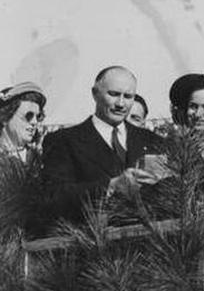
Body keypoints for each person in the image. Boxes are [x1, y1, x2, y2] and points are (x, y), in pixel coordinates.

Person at [41, 66, 164, 222]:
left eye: (128, 96)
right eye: (113, 94)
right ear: (95, 93)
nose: (121, 103)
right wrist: (111, 186)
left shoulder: (152, 140)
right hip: (92, 240)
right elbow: (53, 197)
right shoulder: (64, 141)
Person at [0, 82, 47, 166]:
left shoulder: (37, 157)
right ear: (5, 117)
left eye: (38, 117)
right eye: (28, 116)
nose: (35, 122)